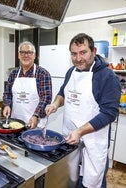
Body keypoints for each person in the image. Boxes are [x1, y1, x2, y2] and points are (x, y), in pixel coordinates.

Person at [45, 33, 121, 188]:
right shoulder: (71, 72)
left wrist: (80, 131)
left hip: (93, 141)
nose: (78, 58)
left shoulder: (107, 77)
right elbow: (62, 93)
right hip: (70, 139)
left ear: (93, 51)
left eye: (83, 52)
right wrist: (55, 104)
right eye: (74, 54)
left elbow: (109, 113)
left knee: (91, 182)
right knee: (70, 179)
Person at [2, 41, 52, 129]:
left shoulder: (42, 74)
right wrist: (6, 105)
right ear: (18, 55)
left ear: (34, 56)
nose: (25, 55)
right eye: (22, 52)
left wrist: (36, 115)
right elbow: (7, 93)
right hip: (15, 123)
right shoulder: (13, 73)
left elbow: (46, 98)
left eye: (29, 52)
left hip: (35, 123)